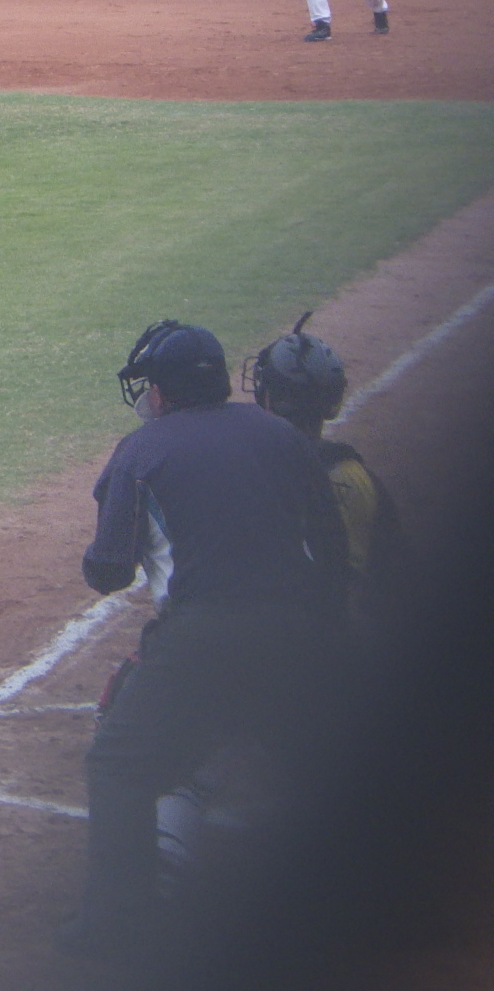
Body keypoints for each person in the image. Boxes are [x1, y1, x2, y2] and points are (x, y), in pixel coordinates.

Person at [57, 320, 348, 960]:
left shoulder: (142, 451)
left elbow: (109, 571)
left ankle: (116, 925)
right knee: (314, 766)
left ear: (161, 391)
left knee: (120, 767)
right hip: (300, 627)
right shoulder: (279, 434)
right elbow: (331, 550)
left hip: (203, 636)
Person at [245, 312, 407, 638]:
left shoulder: (244, 473)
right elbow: (396, 579)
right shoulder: (359, 479)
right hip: (344, 645)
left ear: (268, 398)